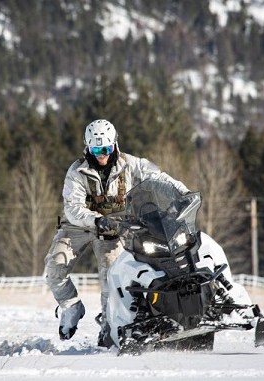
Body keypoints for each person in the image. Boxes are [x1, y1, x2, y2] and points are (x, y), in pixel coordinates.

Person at [44, 119, 189, 347]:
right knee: (54, 267)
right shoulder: (77, 171)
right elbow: (73, 208)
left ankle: (108, 328)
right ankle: (72, 308)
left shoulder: (130, 164)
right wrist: (96, 220)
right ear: (87, 147)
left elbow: (157, 177)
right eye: (96, 149)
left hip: (114, 228)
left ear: (114, 145)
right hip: (79, 225)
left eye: (106, 149)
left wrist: (182, 192)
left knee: (111, 277)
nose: (101, 154)